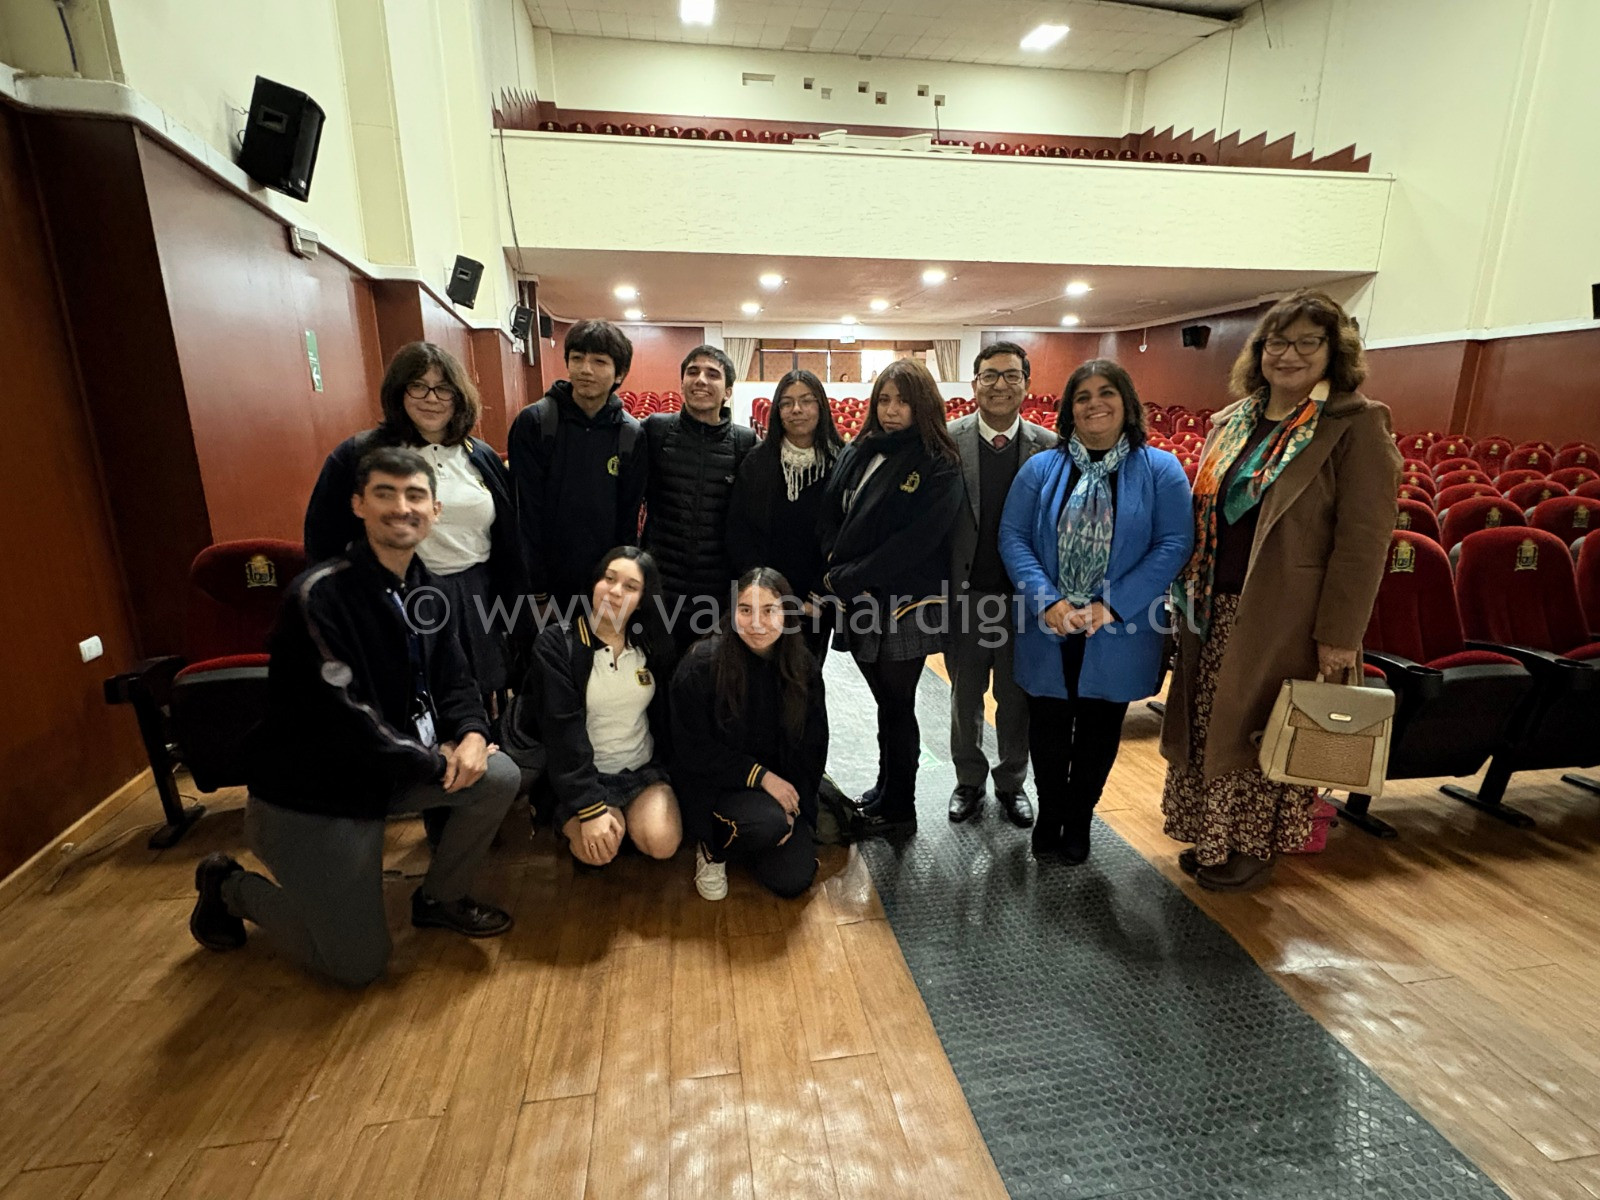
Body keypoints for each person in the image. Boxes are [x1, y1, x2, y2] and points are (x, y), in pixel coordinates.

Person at [189, 446, 518, 988]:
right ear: (359, 504)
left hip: (388, 775)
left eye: (415, 496)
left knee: (498, 775)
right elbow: (348, 721)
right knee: (356, 965)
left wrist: (473, 734)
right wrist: (437, 764)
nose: (402, 508)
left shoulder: (426, 586)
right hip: (316, 796)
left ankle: (440, 897)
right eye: (385, 494)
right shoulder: (318, 598)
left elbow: (456, 679)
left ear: (435, 510)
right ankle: (229, 887)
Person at [1161, 290, 1401, 893]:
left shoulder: (1354, 424)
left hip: (1287, 614)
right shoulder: (1233, 422)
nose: (1289, 355)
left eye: (1306, 343)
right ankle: (1212, 837)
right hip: (1213, 605)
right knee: (1210, 726)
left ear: (1334, 351)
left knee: (1263, 732)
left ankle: (1253, 846)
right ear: (1258, 350)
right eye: (1277, 342)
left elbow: (1363, 541)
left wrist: (1339, 636)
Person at [1000, 360, 1193, 863]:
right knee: (1047, 728)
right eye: (1082, 396)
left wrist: (1113, 605)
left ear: (1127, 403)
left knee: (1099, 731)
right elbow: (1014, 538)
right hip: (1049, 622)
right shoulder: (1040, 468)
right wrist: (1047, 601)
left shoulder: (1161, 469)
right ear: (1070, 410)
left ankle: (1080, 819)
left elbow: (1174, 544)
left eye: (1106, 392)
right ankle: (1050, 813)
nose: (1094, 404)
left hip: (1119, 626)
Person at [304, 341, 525, 700]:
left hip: (475, 594)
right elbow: (322, 541)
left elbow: (508, 540)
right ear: (399, 392)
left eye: (443, 388)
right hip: (398, 593)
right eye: (418, 386)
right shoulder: (359, 454)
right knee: (405, 692)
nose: (431, 398)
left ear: (459, 396)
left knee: (474, 697)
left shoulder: (480, 455)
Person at [818, 358, 964, 835]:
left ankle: (901, 808)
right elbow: (831, 512)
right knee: (885, 702)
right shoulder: (861, 449)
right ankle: (885, 788)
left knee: (898, 704)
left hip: (905, 601)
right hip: (860, 596)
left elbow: (916, 541)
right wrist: (837, 565)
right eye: (884, 399)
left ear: (923, 405)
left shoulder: (938, 461)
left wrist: (849, 575)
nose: (891, 410)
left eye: (903, 400)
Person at [946, 342, 1058, 828]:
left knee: (1016, 700)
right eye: (989, 375)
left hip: (1024, 602)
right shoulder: (947, 441)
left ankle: (1012, 782)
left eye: (1011, 375)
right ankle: (968, 780)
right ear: (975, 384)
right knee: (964, 697)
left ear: (1026, 385)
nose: (999, 385)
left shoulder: (1050, 446)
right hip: (966, 596)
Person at [671, 568, 828, 901]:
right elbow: (692, 750)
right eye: (745, 610)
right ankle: (713, 847)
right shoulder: (701, 665)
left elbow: (813, 747)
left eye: (769, 610)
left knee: (792, 879)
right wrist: (760, 777)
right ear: (732, 612)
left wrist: (796, 808)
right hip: (717, 786)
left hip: (779, 790)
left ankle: (752, 835)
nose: (757, 623)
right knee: (768, 824)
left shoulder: (803, 667)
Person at [519, 547, 681, 867]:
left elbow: (665, 716)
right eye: (609, 579)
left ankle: (628, 821)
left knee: (662, 844)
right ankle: (580, 817)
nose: (615, 591)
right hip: (583, 774)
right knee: (598, 854)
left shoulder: (651, 643)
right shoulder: (557, 643)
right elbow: (561, 731)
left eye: (630, 587)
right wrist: (590, 806)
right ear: (595, 583)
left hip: (638, 767)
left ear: (642, 600)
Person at [508, 320, 648, 612]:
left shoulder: (630, 434)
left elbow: (627, 521)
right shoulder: (535, 422)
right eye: (577, 358)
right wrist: (537, 589)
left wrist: (618, 585)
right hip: (543, 587)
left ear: (619, 373)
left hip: (604, 586)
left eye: (599, 361)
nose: (585, 370)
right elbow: (525, 513)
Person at [642, 345, 758, 649]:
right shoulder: (656, 431)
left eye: (712, 374)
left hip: (717, 596)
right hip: (660, 589)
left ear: (728, 391)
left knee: (709, 673)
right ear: (682, 384)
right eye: (692, 372)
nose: (701, 380)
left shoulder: (746, 443)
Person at [727, 369, 844, 662]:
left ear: (821, 406)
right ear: (777, 411)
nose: (796, 409)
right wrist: (762, 592)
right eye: (787, 402)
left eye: (806, 400)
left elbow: (847, 536)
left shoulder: (842, 462)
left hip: (817, 600)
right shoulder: (757, 462)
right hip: (763, 598)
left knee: (806, 675)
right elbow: (738, 530)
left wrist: (817, 596)